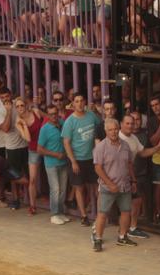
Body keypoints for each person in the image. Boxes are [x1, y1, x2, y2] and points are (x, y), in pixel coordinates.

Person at [91, 117, 139, 252]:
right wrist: (109, 184)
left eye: (115, 129)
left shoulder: (125, 145)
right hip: (108, 187)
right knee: (102, 213)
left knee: (126, 211)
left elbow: (129, 164)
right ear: (106, 131)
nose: (113, 132)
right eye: (110, 130)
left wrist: (133, 180)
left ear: (119, 129)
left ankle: (122, 236)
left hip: (124, 185)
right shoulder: (101, 147)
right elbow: (98, 168)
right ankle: (98, 239)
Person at [61, 93, 102, 225]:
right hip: (77, 159)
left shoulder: (91, 115)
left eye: (81, 100)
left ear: (85, 102)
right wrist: (73, 161)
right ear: (73, 104)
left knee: (96, 187)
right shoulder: (69, 121)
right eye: (76, 101)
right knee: (79, 188)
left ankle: (100, 214)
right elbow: (66, 142)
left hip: (92, 158)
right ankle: (84, 216)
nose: (79, 103)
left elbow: (101, 126)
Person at [36, 102, 70, 225]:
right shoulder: (44, 129)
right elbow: (39, 149)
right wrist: (56, 154)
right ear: (47, 116)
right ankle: (54, 214)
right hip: (51, 163)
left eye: (55, 114)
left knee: (62, 189)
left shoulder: (62, 124)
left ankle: (60, 212)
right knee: (55, 189)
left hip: (63, 162)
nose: (54, 116)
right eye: (51, 114)